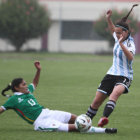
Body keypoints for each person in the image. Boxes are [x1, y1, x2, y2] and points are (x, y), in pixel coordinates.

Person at [0, 61, 117, 133]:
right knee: (77, 127)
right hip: (40, 122)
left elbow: (35, 83)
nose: (26, 85)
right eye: (23, 84)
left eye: (26, 83)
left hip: (47, 112)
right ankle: (105, 131)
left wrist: (38, 70)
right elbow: (1, 109)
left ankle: (98, 129)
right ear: (16, 88)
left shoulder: (27, 91)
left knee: (76, 118)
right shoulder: (13, 100)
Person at [86, 4, 138, 127]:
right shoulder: (118, 35)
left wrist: (121, 45)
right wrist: (108, 18)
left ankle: (103, 119)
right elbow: (112, 29)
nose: (117, 35)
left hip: (124, 76)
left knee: (114, 95)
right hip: (111, 74)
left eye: (119, 33)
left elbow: (130, 58)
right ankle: (84, 122)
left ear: (125, 32)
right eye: (116, 33)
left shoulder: (130, 43)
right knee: (96, 102)